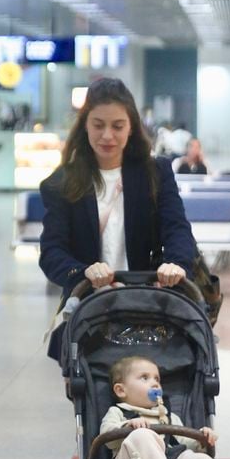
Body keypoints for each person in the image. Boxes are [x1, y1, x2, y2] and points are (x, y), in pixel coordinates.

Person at [39, 78, 195, 357]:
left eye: (117, 126)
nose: (107, 135)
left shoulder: (155, 173)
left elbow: (177, 229)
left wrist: (177, 264)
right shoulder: (62, 182)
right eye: (98, 125)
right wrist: (82, 272)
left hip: (148, 306)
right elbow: (52, 251)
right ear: (85, 125)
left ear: (131, 126)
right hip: (89, 312)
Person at [100, 355, 227, 459]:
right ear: (121, 390)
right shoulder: (118, 412)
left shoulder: (168, 416)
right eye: (145, 378)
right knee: (142, 435)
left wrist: (201, 440)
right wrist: (127, 427)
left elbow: (185, 443)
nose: (155, 384)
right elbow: (107, 437)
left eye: (157, 379)